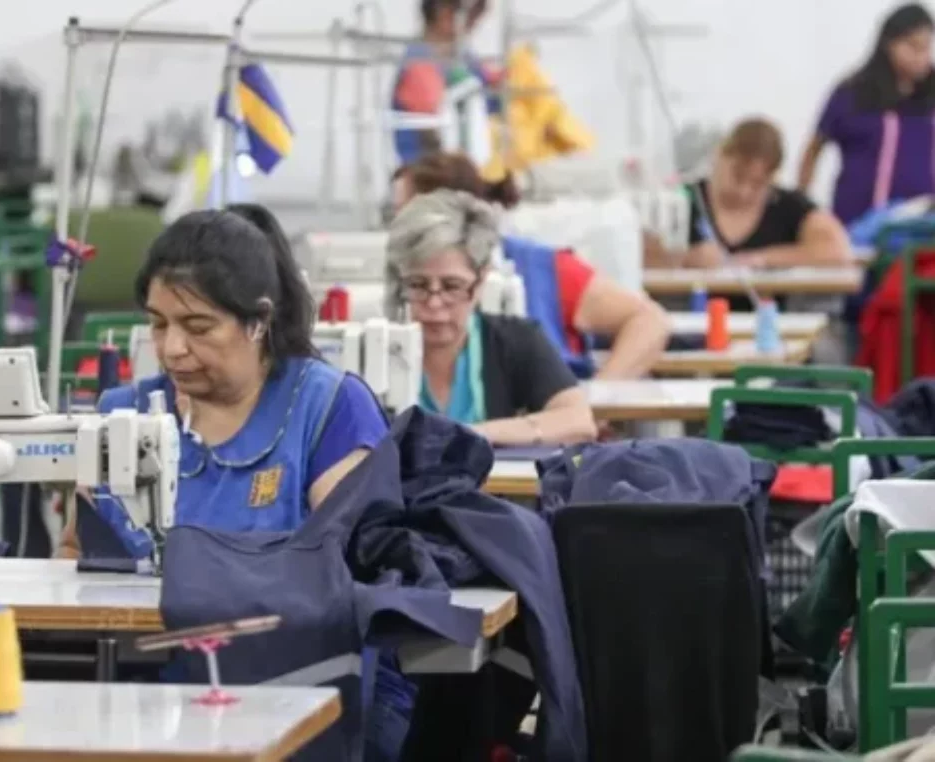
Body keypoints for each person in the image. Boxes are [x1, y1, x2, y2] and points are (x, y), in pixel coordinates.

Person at [58, 203, 390, 555]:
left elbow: (357, 563)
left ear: (258, 321)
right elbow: (74, 549)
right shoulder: (123, 415)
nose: (172, 348)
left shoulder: (329, 410)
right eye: (158, 324)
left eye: (198, 327)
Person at [394, 153, 670, 379]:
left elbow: (649, 320)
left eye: (403, 215)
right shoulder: (401, 281)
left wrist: (600, 396)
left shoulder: (547, 270)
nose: (395, 228)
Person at [387, 189, 597, 447]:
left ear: (481, 281)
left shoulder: (515, 341)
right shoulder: (377, 348)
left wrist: (469, 435)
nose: (434, 303)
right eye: (417, 284)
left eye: (452, 286)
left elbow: (578, 422)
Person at [646, 118, 853, 272]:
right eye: (738, 176)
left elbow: (838, 251)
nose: (744, 190)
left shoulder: (788, 206)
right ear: (720, 156)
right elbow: (639, 252)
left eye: (758, 184)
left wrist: (761, 259)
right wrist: (686, 258)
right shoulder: (682, 199)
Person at [798, 3, 935, 225]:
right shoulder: (852, 93)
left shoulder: (931, 97)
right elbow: (814, 149)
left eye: (926, 48)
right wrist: (803, 208)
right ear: (888, 43)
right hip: (855, 224)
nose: (921, 56)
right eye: (912, 46)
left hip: (920, 226)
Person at [392, 0, 496, 166]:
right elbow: (433, 135)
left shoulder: (462, 55)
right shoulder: (419, 63)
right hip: (431, 177)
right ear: (444, 11)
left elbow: (491, 95)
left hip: (465, 170)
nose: (477, 20)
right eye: (473, 11)